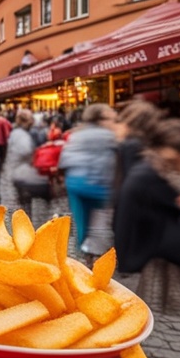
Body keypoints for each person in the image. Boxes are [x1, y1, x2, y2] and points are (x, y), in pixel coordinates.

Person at [114, 118, 180, 274]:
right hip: (143, 260)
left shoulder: (149, 168)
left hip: (143, 254)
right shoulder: (150, 177)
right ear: (175, 153)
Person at [57, 103, 120, 254]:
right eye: (112, 119)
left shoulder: (76, 134)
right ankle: (104, 253)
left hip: (75, 183)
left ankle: (85, 254)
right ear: (101, 119)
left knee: (81, 223)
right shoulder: (110, 136)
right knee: (105, 222)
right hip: (100, 185)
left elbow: (64, 158)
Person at [5, 108, 52, 215]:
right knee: (25, 204)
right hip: (21, 173)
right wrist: (35, 153)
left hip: (18, 173)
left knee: (24, 203)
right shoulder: (21, 134)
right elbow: (25, 150)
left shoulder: (16, 132)